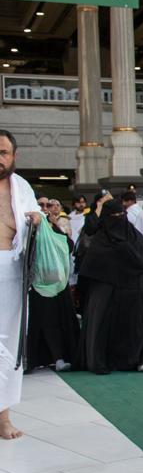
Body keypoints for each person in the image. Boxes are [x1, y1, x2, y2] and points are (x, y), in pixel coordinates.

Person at [74, 199, 143, 373]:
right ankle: (101, 360)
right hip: (106, 290)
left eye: (121, 215)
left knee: (135, 324)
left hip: (133, 290)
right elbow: (91, 269)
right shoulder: (100, 241)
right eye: (114, 216)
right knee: (102, 323)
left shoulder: (133, 237)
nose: (118, 219)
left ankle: (137, 359)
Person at [0, 129, 42, 440]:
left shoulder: (21, 187)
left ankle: (3, 417)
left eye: (3, 153)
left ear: (14, 156)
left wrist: (37, 219)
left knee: (9, 346)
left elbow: (34, 219)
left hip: (11, 272)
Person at [26, 201, 78, 373]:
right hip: (34, 284)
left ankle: (57, 357)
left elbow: (68, 246)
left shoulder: (51, 228)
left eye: (47, 205)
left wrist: (55, 227)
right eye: (41, 205)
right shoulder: (27, 228)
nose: (45, 208)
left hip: (52, 282)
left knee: (52, 321)